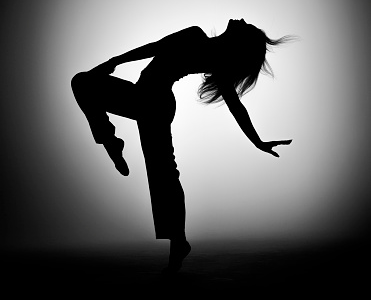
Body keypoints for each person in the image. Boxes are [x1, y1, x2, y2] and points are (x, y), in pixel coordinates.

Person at [71, 19, 293, 273]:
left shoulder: (213, 56)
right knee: (81, 83)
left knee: (163, 173)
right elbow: (155, 47)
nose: (241, 19)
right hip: (144, 98)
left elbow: (235, 106)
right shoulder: (196, 36)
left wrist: (257, 141)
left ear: (238, 39)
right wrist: (115, 61)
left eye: (246, 25)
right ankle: (110, 140)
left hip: (155, 102)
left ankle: (178, 242)